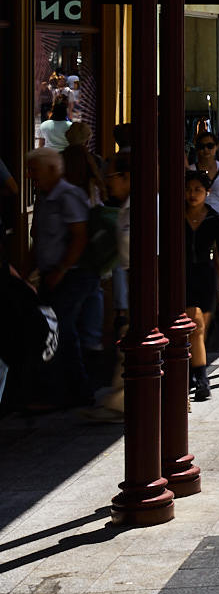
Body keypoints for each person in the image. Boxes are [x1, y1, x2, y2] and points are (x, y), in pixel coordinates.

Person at [24, 148, 93, 409]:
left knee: (58, 330)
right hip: (50, 274)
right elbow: (38, 240)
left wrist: (62, 269)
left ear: (53, 169)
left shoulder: (68, 195)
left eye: (34, 170)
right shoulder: (43, 197)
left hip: (72, 275)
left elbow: (79, 236)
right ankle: (74, 390)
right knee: (54, 330)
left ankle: (67, 392)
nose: (31, 175)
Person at [181, 169, 219, 402]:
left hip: (205, 276)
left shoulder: (215, 220)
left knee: (201, 330)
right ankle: (202, 379)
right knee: (196, 327)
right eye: (189, 189)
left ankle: (195, 373)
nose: (192, 194)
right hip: (181, 276)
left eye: (198, 190)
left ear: (207, 192)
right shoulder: (174, 217)